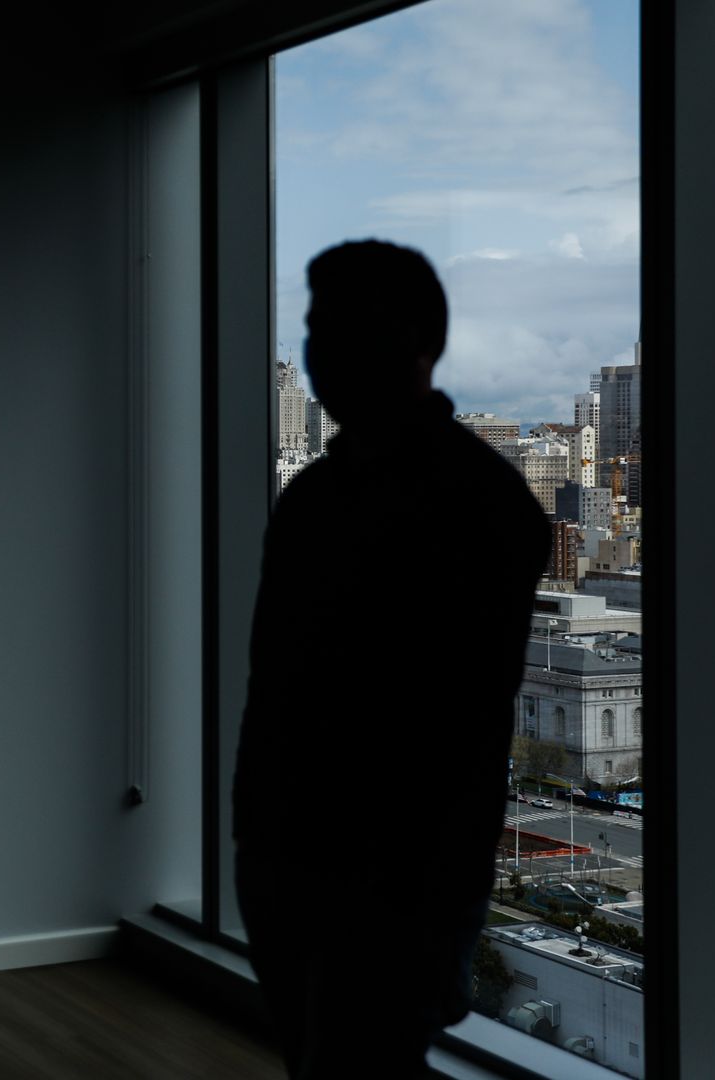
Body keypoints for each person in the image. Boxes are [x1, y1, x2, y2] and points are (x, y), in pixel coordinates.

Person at [232, 240, 549, 1077]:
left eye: (340, 328)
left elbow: (457, 725)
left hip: (397, 880)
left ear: (415, 341)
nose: (318, 352)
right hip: (292, 864)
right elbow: (275, 692)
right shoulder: (314, 498)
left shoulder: (480, 505)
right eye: (313, 329)